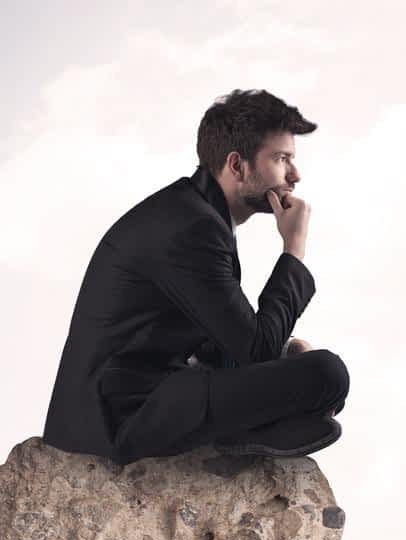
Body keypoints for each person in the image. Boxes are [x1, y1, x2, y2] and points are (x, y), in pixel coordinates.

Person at [41, 89, 349, 466]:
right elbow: (257, 349)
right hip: (120, 416)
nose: (295, 175)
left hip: (154, 389)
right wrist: (293, 248)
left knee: (301, 363)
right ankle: (254, 429)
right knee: (328, 373)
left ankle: (258, 430)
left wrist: (282, 356)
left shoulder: (196, 213)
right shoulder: (192, 227)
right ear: (237, 165)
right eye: (282, 159)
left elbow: (227, 340)